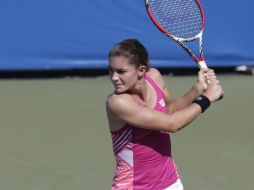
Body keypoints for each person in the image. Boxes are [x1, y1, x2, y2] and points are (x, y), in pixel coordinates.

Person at [106, 39, 223, 190]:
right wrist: (206, 99)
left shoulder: (154, 76)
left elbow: (170, 110)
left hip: (170, 182)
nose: (114, 77)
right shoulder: (118, 102)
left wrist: (198, 88)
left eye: (121, 71)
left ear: (141, 70)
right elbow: (171, 124)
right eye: (111, 70)